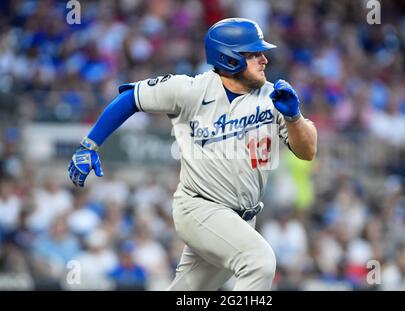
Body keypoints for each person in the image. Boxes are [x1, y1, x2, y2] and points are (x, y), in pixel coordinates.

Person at [68, 18, 317, 291]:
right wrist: (89, 144)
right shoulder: (191, 90)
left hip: (242, 219)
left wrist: (293, 117)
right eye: (254, 53)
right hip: (200, 207)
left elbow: (307, 152)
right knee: (259, 261)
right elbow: (131, 97)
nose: (264, 59)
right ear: (229, 58)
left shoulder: (274, 97)